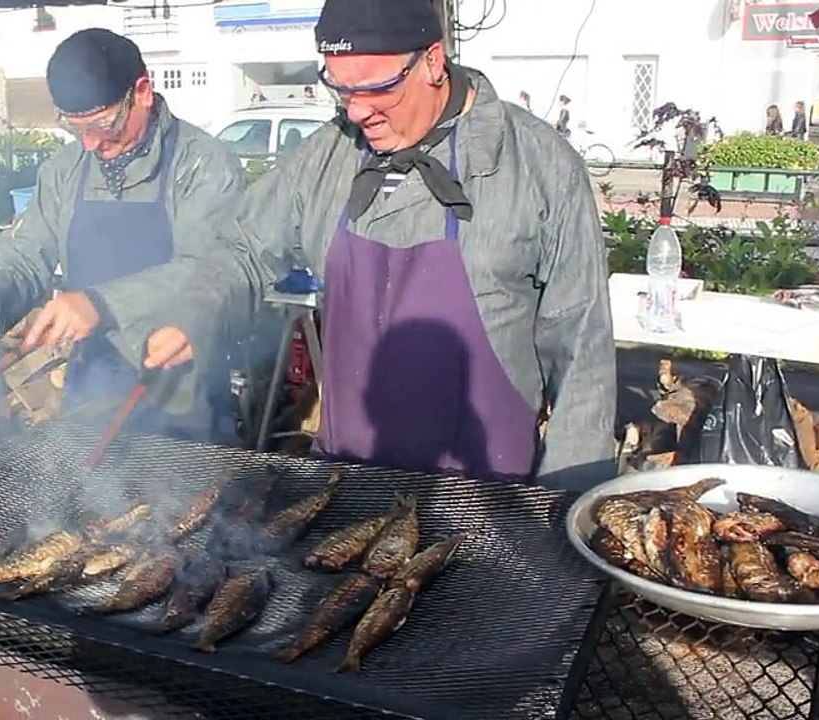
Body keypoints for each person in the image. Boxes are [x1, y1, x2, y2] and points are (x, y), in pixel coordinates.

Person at [127, 0, 618, 489]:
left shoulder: (538, 166)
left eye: (377, 88)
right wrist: (196, 309)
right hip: (344, 485)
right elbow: (243, 249)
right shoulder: (327, 155)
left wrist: (565, 503)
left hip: (485, 493)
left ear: (432, 60)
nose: (357, 111)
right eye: (340, 89)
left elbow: (582, 354)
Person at [0, 28, 246, 443]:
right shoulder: (65, 169)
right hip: (90, 390)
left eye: (103, 123)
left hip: (182, 394)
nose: (92, 143)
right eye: (76, 128)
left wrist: (99, 304)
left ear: (144, 91)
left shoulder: (204, 165)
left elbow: (210, 271)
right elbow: (26, 251)